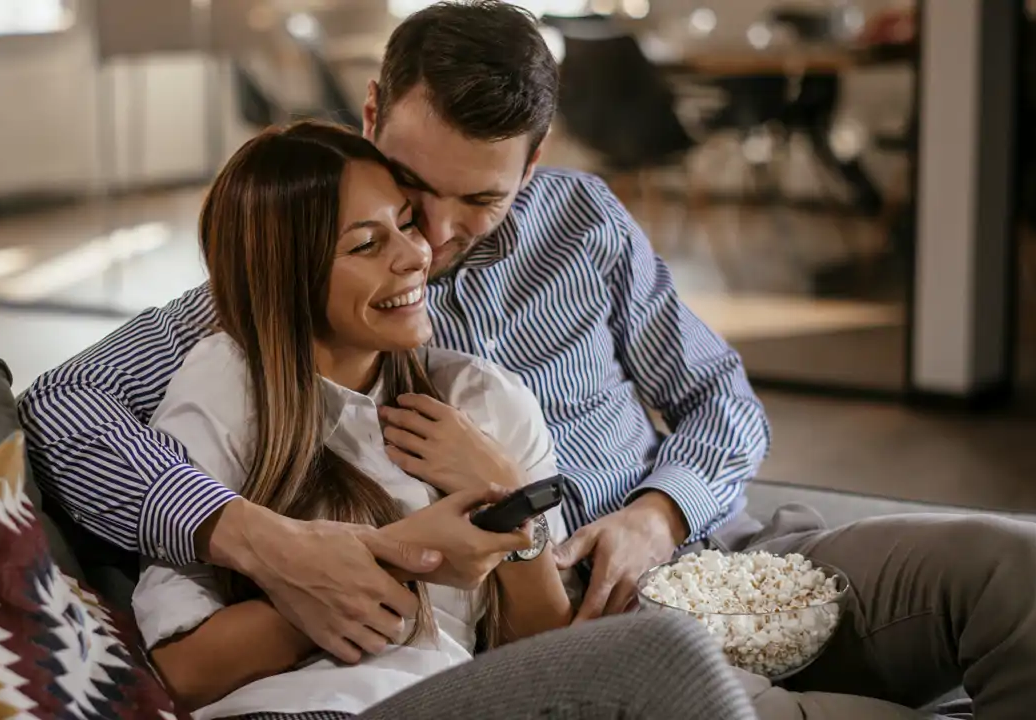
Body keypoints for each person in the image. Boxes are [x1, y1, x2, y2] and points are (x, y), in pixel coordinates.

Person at [19, 2, 1036, 717]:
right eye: (409, 190)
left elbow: (718, 399)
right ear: (375, 113)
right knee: (689, 684)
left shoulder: (585, 225)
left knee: (1023, 568)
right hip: (564, 645)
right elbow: (63, 406)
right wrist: (261, 542)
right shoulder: (293, 278)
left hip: (719, 559)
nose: (427, 237)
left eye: (480, 200)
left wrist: (655, 518)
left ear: (539, 157)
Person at [131, 120, 754, 719]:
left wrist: (514, 508)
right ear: (286, 276)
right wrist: (406, 556)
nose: (417, 254)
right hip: (291, 709)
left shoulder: (483, 398)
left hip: (452, 698)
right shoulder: (224, 390)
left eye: (405, 225)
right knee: (669, 652)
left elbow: (538, 643)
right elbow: (185, 672)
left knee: (670, 649)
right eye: (367, 244)